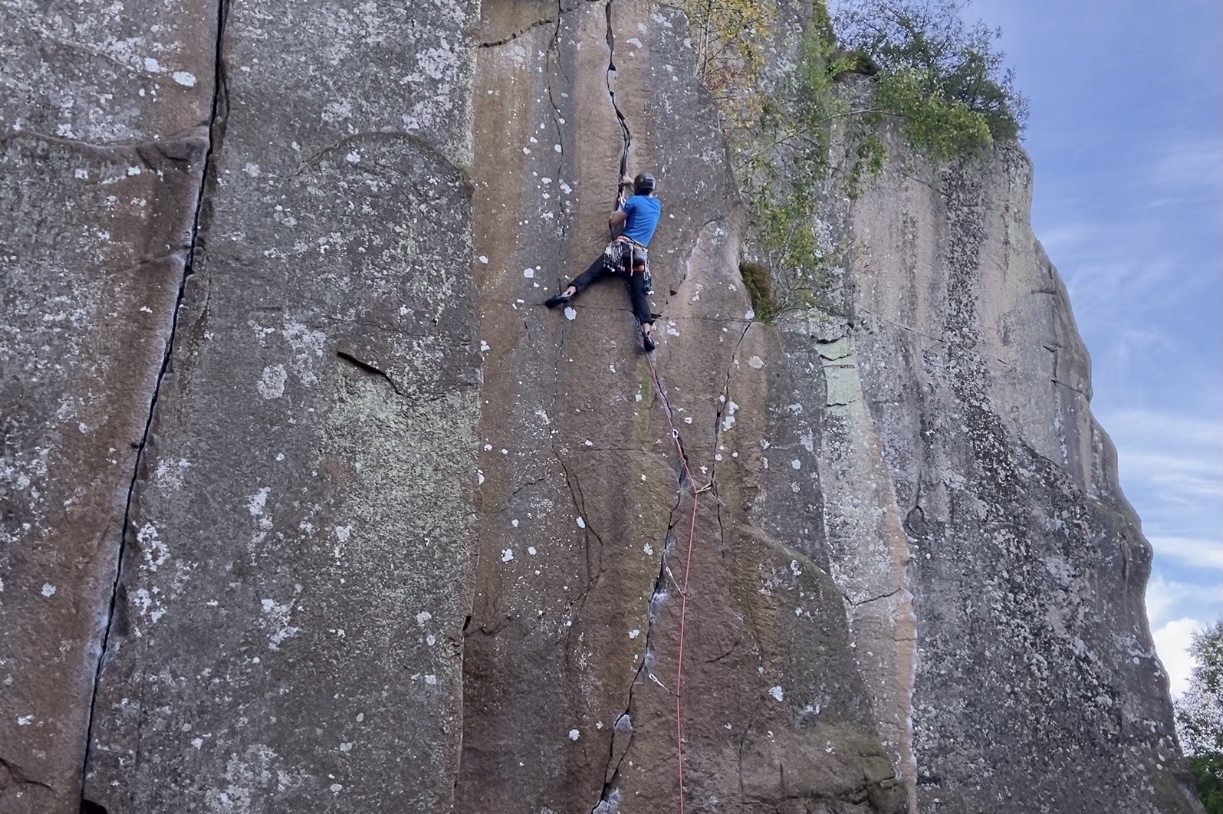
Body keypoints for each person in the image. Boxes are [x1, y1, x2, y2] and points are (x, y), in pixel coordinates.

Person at [545, 172, 662, 352]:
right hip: (638, 257)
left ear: (637, 189)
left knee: (592, 273)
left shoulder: (633, 202)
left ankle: (568, 293)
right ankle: (646, 333)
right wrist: (632, 182)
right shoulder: (656, 205)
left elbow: (614, 221)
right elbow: (647, 195)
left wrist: (618, 210)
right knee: (639, 296)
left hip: (620, 250)